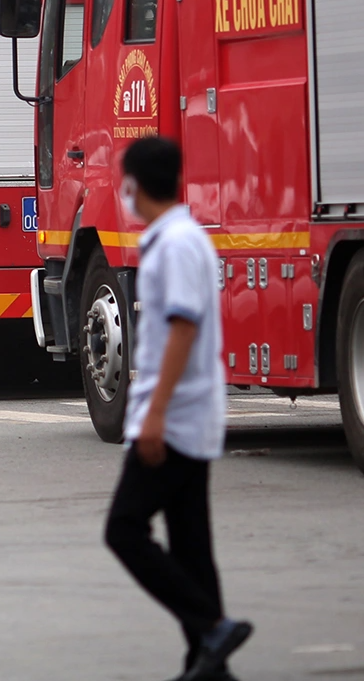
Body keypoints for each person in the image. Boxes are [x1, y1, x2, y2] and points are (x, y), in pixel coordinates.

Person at [103, 134, 252, 681]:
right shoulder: (177, 239)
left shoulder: (175, 244)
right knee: (190, 544)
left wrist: (155, 415)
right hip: (188, 415)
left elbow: (183, 328)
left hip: (176, 419)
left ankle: (211, 627)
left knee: (123, 529)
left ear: (136, 185)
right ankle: (209, 664)